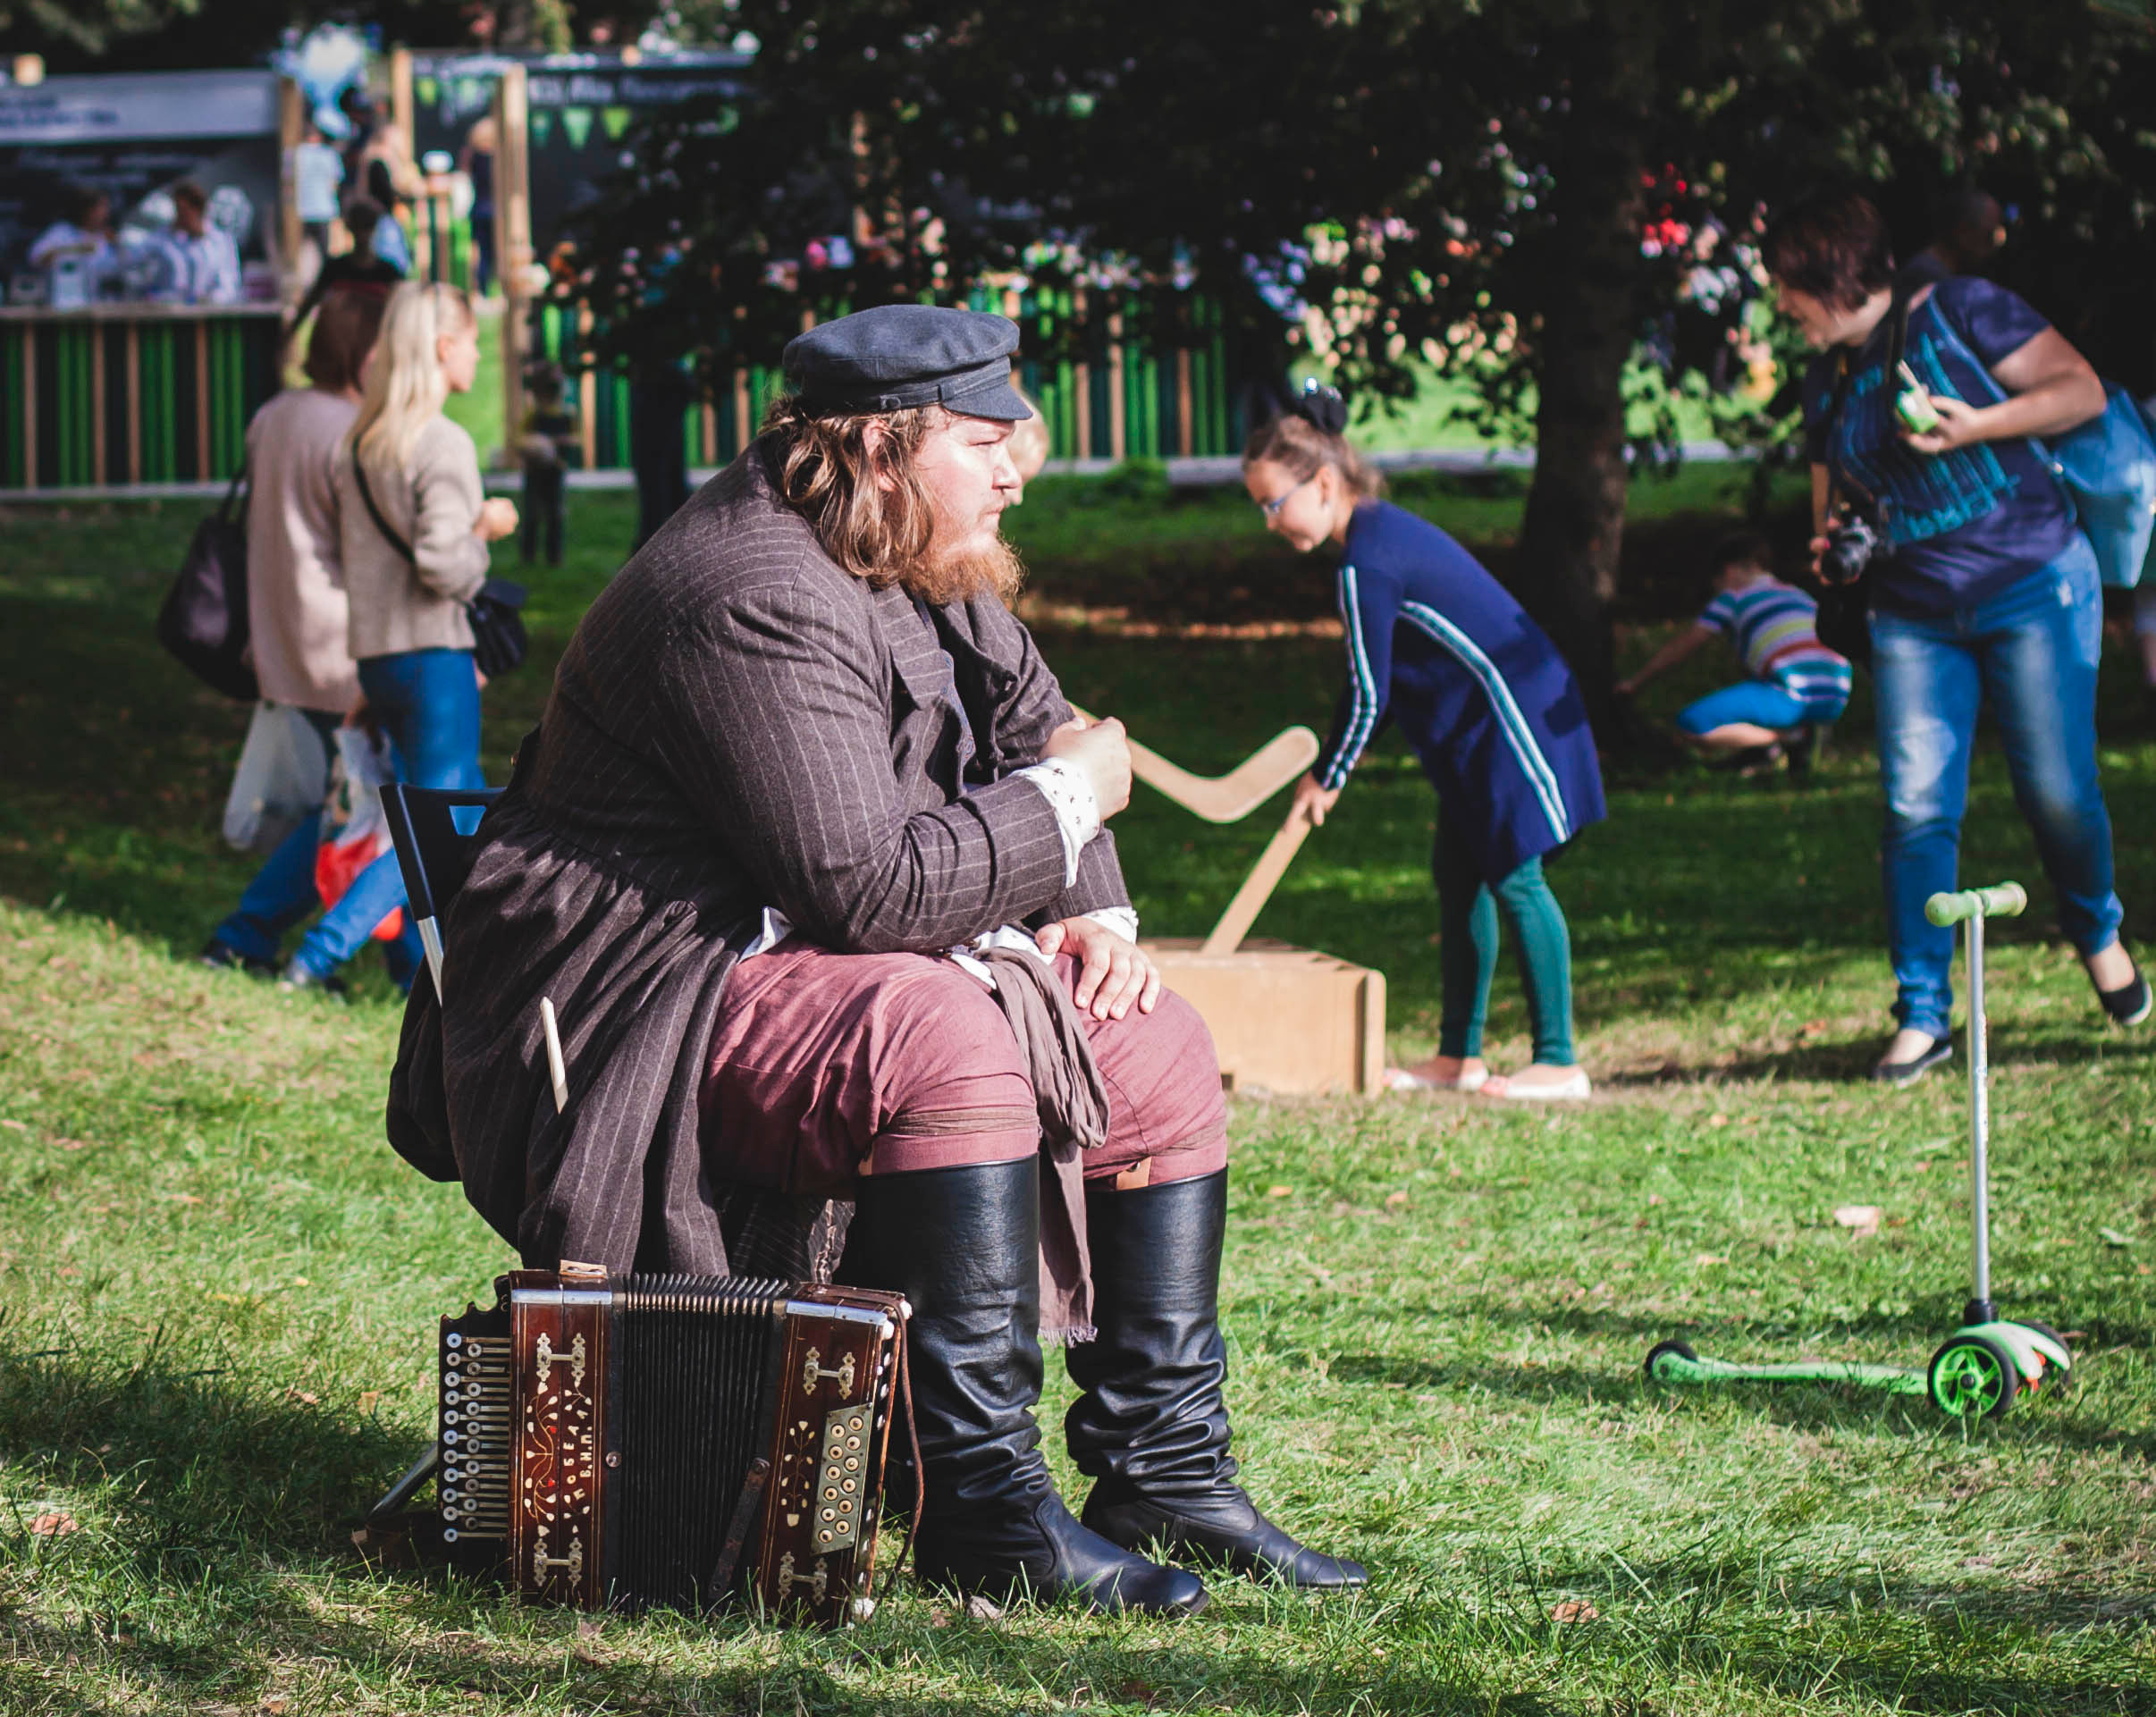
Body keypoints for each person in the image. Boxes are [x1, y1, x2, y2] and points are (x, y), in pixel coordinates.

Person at [383, 304, 1365, 1614]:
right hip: (638, 1004)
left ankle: (1164, 1471)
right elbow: (873, 888)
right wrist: (1076, 800)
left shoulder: (914, 544)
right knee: (939, 1034)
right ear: (880, 447)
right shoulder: (748, 588)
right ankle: (985, 1508)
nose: (1018, 468)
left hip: (802, 956)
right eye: (986, 441)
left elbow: (1041, 723)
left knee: (1156, 1044)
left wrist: (1100, 915)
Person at [1766, 189, 2147, 1083]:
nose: (1779, 305)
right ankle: (1922, 1013)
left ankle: (2096, 929)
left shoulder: (1963, 309)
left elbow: (2080, 389)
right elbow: (1831, 515)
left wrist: (1977, 424)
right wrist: (1833, 553)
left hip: (2034, 585)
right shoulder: (1824, 382)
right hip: (1913, 616)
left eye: (1787, 286)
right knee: (1914, 806)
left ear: (1831, 276)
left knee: (2057, 789)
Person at [1246, 383, 1604, 1101]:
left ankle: (1559, 1060)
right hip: (1470, 732)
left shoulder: (1366, 564)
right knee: (1459, 875)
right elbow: (1369, 679)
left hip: (1508, 719)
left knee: (1516, 875)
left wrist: (1330, 773)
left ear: (1324, 483)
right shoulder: (1373, 539)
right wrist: (1333, 761)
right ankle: (1458, 1056)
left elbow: (1369, 692)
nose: (1269, 522)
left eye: (1275, 503)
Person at [278, 282, 516, 992]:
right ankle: (316, 956)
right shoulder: (441, 443)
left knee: (434, 811)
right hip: (433, 657)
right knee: (430, 827)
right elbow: (444, 565)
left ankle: (420, 972)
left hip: (379, 654)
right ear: (442, 348)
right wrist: (485, 529)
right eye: (472, 342)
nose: (477, 355)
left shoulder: (362, 443)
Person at [202, 288, 412, 985]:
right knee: (365, 807)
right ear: (369, 352)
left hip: (282, 632)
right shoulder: (354, 433)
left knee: (355, 803)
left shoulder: (275, 414)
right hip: (346, 642)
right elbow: (371, 552)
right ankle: (251, 932)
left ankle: (391, 955)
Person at [1615, 530, 1851, 778]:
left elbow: (1683, 646)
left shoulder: (1733, 597)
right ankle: (1778, 746)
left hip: (1790, 694)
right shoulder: (1799, 595)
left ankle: (1790, 737)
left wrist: (1635, 683)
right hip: (1836, 694)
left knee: (1693, 725)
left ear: (1728, 571)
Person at [517, 359, 577, 565]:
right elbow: (521, 439)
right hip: (535, 470)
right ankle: (528, 556)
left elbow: (576, 438)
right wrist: (534, 446)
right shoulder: (534, 414)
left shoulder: (567, 413)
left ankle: (554, 557)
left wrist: (561, 441)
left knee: (555, 514)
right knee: (532, 514)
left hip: (556, 470)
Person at [166, 181, 241, 307]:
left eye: (182, 211)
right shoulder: (170, 240)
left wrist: (206, 300)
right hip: (179, 310)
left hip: (212, 311)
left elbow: (229, 287)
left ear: (196, 210)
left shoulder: (221, 242)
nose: (178, 217)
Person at [291, 119, 346, 272]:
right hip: (324, 209)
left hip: (301, 210)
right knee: (324, 255)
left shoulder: (295, 154)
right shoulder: (329, 154)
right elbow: (335, 184)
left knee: (302, 254)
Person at [459, 115, 497, 296]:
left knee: (480, 251)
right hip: (493, 209)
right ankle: (489, 286)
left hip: (479, 207)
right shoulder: (496, 157)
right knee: (490, 251)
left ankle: (482, 288)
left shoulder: (472, 155)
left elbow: (465, 175)